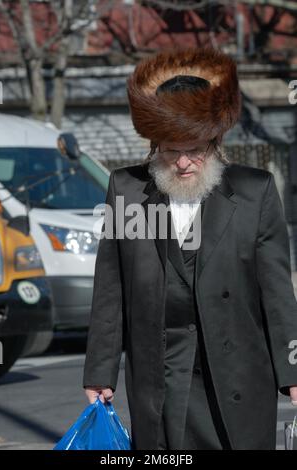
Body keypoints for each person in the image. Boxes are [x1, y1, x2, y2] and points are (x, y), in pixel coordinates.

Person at [83, 46, 297, 450]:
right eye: (170, 149)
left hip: (237, 377)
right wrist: (99, 371)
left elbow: (277, 291)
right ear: (153, 145)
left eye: (194, 149)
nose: (182, 162)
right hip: (162, 380)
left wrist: (293, 370)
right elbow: (110, 287)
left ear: (214, 141)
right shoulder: (125, 190)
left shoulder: (256, 191)